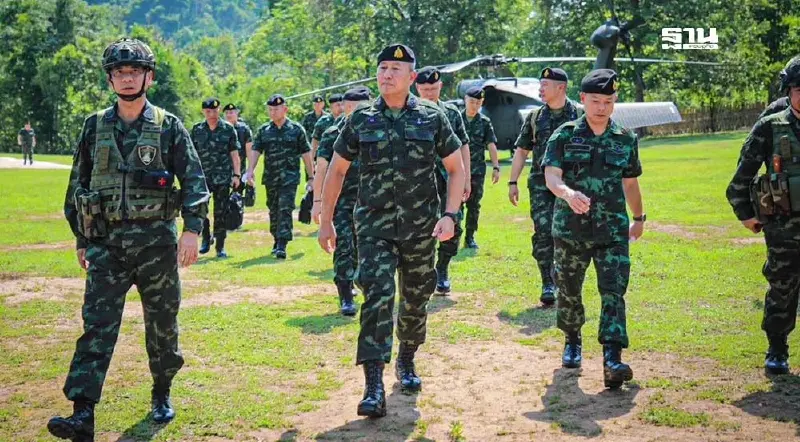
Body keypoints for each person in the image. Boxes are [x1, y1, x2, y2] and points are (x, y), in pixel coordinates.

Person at [49, 37, 210, 442]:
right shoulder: (94, 125)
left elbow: (193, 180)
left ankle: (161, 392)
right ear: (110, 80)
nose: (126, 78)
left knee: (162, 325)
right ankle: (82, 413)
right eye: (119, 72)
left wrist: (192, 230)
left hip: (157, 245)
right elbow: (78, 185)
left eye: (134, 71)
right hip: (107, 246)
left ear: (148, 77)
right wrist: (82, 239)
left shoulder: (168, 126)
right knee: (96, 327)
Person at [318, 43, 464, 417]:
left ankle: (408, 357)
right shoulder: (360, 119)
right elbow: (336, 171)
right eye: (382, 68)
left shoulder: (432, 118)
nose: (387, 74)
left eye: (396, 69)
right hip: (374, 228)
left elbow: (455, 169)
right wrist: (326, 219)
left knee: (415, 300)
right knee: (378, 296)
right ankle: (372, 384)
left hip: (421, 229)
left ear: (412, 77)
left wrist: (450, 214)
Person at [542, 69, 645, 389]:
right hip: (571, 230)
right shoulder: (564, 135)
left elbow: (630, 183)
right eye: (596, 101)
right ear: (583, 99)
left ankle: (612, 358)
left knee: (614, 291)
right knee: (569, 290)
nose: (602, 107)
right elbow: (552, 177)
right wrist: (567, 193)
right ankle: (572, 339)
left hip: (612, 230)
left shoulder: (625, 139)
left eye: (609, 101)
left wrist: (639, 218)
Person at [726, 56, 800, 375]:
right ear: (789, 91)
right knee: (783, 287)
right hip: (784, 227)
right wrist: (746, 214)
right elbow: (740, 179)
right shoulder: (771, 126)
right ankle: (777, 348)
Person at [508, 67, 583, 306]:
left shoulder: (581, 115)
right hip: (540, 185)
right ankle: (547, 282)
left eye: (545, 85)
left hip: (572, 186)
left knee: (568, 234)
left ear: (561, 87)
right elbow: (521, 151)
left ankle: (564, 279)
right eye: (540, 84)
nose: (540, 89)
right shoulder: (535, 118)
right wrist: (513, 182)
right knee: (543, 233)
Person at [312, 86, 371, 316]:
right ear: (344, 108)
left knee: (367, 248)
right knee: (344, 247)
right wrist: (318, 201)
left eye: (360, 107)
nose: (355, 112)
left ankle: (364, 286)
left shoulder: (377, 131)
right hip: (342, 202)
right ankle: (345, 294)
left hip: (371, 202)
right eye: (351, 108)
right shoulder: (332, 134)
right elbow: (323, 168)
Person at [415, 65, 471, 294]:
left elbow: (463, 145)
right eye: (426, 89)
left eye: (434, 88)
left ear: (440, 87)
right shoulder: (411, 113)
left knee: (454, 223)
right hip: (420, 183)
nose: (430, 93)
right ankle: (424, 272)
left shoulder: (451, 113)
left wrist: (465, 178)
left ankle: (443, 267)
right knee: (421, 229)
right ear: (417, 88)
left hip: (449, 181)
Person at [245, 94, 314, 259]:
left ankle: (282, 243)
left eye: (276, 109)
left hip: (289, 178)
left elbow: (306, 153)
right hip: (271, 177)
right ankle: (276, 239)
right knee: (273, 209)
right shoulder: (264, 130)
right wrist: (250, 170)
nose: (273, 112)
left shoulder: (296, 130)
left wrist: (311, 176)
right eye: (270, 109)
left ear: (285, 109)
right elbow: (256, 150)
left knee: (285, 208)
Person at [191, 98, 241, 258]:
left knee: (221, 213)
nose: (211, 114)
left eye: (214, 111)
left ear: (219, 110)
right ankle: (206, 238)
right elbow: (191, 155)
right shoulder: (197, 130)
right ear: (203, 112)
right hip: (202, 178)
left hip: (222, 177)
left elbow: (234, 154)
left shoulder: (228, 129)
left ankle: (220, 246)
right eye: (208, 111)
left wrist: (236, 175)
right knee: (202, 210)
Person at [460, 86, 500, 249]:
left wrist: (496, 167)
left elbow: (491, 144)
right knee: (454, 204)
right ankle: (452, 236)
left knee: (474, 205)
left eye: (478, 103)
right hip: (457, 170)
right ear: (465, 100)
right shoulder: (456, 119)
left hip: (477, 171)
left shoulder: (484, 122)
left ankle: (469, 237)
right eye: (471, 101)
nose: (474, 105)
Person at [222, 102, 253, 192]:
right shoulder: (220, 129)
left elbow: (249, 151)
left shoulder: (244, 129)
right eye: (226, 113)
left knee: (237, 198)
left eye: (231, 112)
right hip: (223, 171)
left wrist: (250, 169)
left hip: (239, 170)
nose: (228, 115)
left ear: (236, 113)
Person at [311, 93, 345, 158]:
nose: (341, 108)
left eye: (342, 105)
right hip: (327, 159)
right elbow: (315, 142)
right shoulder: (323, 121)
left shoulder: (349, 120)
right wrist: (312, 160)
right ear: (331, 108)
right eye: (338, 105)